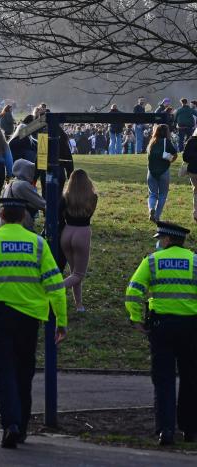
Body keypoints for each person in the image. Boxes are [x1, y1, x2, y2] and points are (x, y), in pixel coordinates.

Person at [0, 198, 68, 449]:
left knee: (4, 371)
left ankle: (11, 424)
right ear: (23, 217)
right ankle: (22, 427)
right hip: (30, 319)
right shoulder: (38, 245)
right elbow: (56, 285)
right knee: (24, 372)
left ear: (2, 215)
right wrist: (61, 320)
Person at [124, 221, 197, 446]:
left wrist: (136, 318)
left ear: (166, 240)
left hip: (161, 327)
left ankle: (165, 430)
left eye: (159, 239)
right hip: (191, 328)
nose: (158, 242)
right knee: (191, 378)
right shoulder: (195, 262)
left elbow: (134, 290)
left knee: (163, 379)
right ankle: (190, 429)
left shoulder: (152, 261)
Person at [60, 169, 97, 314]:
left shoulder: (65, 197)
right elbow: (90, 213)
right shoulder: (93, 197)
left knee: (74, 273)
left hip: (67, 232)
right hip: (82, 233)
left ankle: (79, 305)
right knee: (78, 274)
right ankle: (55, 288)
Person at [0, 159, 46, 232]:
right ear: (26, 171)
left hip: (4, 224)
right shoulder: (22, 185)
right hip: (19, 225)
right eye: (31, 170)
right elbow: (42, 204)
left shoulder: (10, 184)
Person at [147, 124, 178, 223]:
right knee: (163, 195)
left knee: (152, 194)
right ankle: (156, 216)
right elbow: (175, 154)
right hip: (164, 171)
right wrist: (171, 160)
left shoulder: (152, 142)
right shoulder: (167, 142)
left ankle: (151, 208)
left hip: (151, 171)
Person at [182, 128, 197, 222]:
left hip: (193, 170)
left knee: (195, 191)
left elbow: (185, 157)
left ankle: (196, 212)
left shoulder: (191, 141)